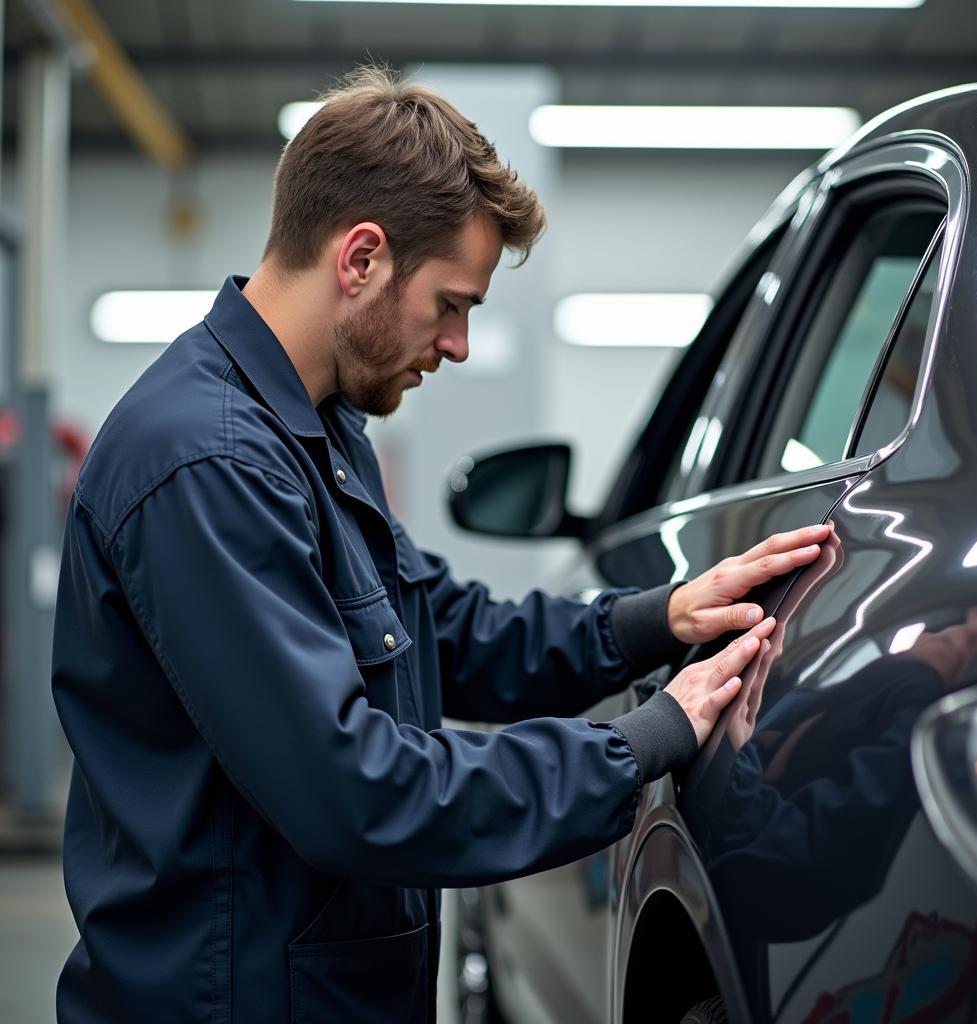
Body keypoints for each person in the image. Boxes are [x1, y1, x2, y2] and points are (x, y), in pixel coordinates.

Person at [51, 66, 828, 1022]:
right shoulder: (209, 462)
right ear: (362, 257)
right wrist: (642, 743)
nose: (457, 345)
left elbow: (438, 628)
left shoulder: (314, 432)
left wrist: (656, 619)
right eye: (451, 304)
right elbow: (355, 791)